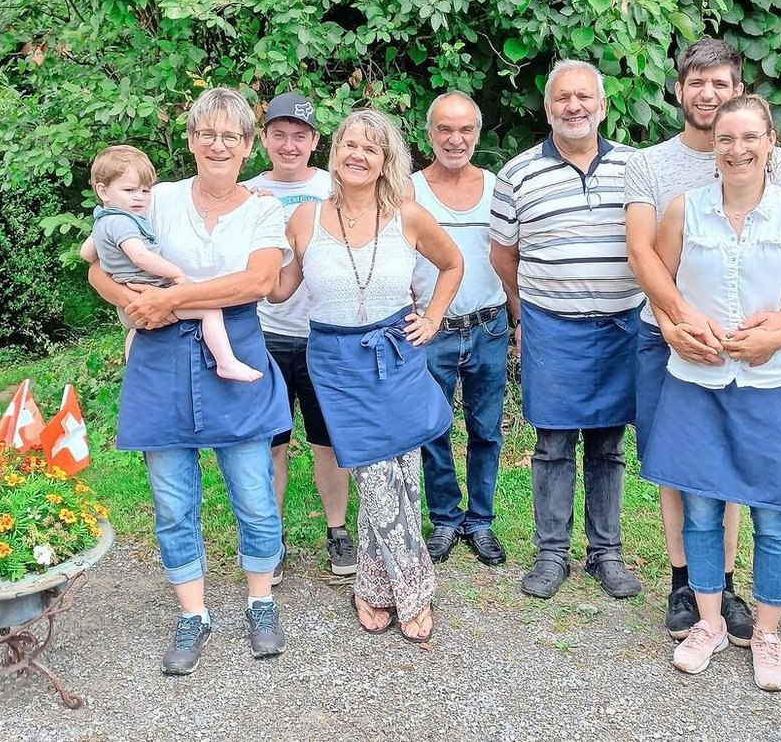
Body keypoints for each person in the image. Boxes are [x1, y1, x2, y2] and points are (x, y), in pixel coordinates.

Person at [84, 87, 293, 673]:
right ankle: (193, 614)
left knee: (254, 495)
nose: (218, 145)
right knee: (173, 502)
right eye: (207, 134)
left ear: (248, 146)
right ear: (192, 141)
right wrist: (132, 303)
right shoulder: (158, 199)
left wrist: (170, 298)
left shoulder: (263, 209)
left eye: (230, 136)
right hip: (160, 358)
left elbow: (257, 282)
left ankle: (261, 602)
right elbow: (97, 265)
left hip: (236, 352)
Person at [642, 94, 781, 691]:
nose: (738, 149)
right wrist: (675, 330)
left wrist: (777, 337)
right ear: (713, 147)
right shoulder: (684, 209)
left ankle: (769, 633)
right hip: (697, 381)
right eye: (726, 139)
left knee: (773, 516)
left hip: (772, 384)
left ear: (770, 142)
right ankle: (709, 623)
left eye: (751, 137)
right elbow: (660, 284)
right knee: (701, 507)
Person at [625, 38, 781, 643]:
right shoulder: (651, 165)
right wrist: (675, 321)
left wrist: (780, 326)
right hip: (667, 338)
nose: (708, 93)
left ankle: (723, 585)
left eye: (720, 83)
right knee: (680, 465)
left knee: (734, 465)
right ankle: (684, 580)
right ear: (679, 90)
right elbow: (643, 254)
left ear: (738, 90)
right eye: (696, 82)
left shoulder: (771, 162)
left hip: (753, 350)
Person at [272, 109, 462, 644]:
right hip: (336, 365)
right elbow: (279, 289)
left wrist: (433, 317)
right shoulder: (304, 218)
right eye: (348, 144)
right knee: (376, 480)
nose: (357, 155)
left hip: (397, 354)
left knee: (405, 476)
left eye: (370, 148)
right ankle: (416, 590)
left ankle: (372, 586)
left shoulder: (408, 215)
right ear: (334, 153)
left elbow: (452, 264)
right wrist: (247, 243)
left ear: (385, 161)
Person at [490, 60, 643, 601]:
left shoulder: (636, 167)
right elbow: (502, 254)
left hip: (622, 324)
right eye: (562, 98)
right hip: (551, 326)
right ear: (547, 108)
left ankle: (606, 552)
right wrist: (525, 311)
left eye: (583, 97)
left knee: (609, 442)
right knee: (553, 443)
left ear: (602, 105)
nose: (573, 106)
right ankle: (551, 552)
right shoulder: (517, 174)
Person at [244, 93, 356, 579]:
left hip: (326, 336)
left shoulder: (337, 187)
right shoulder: (246, 192)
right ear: (264, 139)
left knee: (328, 442)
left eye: (300, 136)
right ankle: (271, 537)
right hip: (263, 334)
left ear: (315, 141)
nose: (289, 145)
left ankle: (338, 531)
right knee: (270, 444)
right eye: (279, 135)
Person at [412, 92, 510, 567]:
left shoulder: (498, 187)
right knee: (433, 429)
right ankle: (445, 519)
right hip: (432, 330)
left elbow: (511, 256)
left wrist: (518, 319)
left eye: (465, 129)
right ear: (429, 134)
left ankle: (481, 520)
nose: (456, 139)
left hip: (488, 325)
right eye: (445, 129)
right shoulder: (408, 190)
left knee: (485, 429)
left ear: (477, 133)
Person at [87, 145, 263, 382]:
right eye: (129, 190)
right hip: (149, 293)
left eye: (145, 190)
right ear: (103, 191)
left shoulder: (102, 220)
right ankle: (226, 362)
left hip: (132, 304)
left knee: (135, 333)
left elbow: (87, 254)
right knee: (210, 311)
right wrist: (176, 274)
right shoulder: (123, 223)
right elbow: (141, 257)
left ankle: (133, 374)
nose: (139, 197)